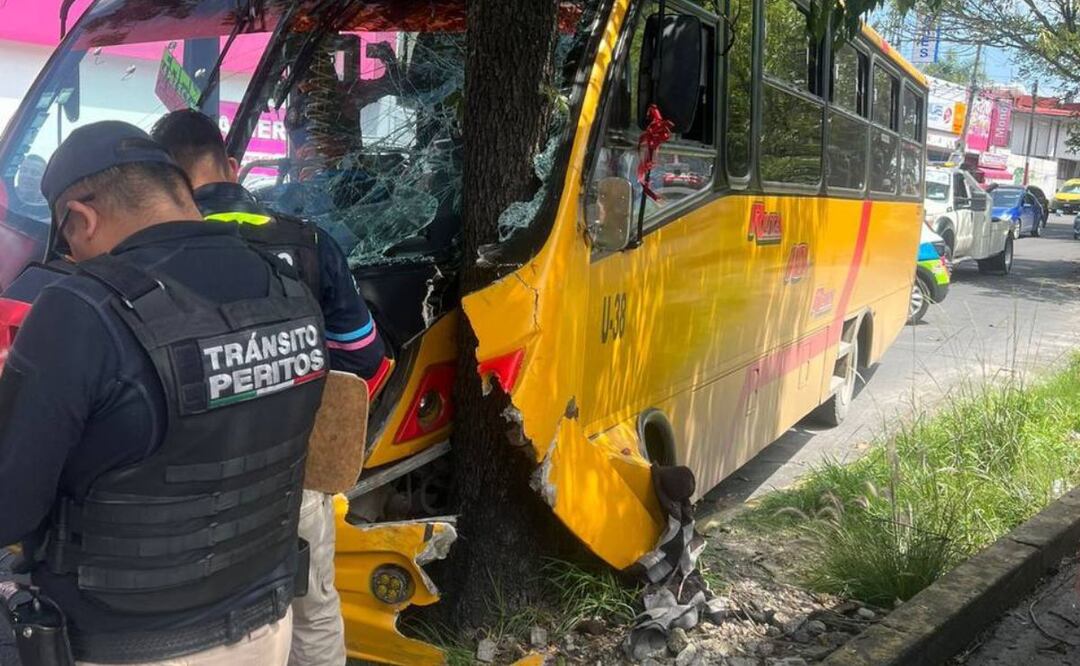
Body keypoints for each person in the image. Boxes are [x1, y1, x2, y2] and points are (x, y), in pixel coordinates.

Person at [0, 121, 328, 664]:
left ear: (81, 218)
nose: (75, 260)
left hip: (129, 643)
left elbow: (9, 508)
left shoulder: (78, 309)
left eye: (68, 243)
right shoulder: (288, 285)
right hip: (267, 626)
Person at [151, 109, 389, 666]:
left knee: (196, 629)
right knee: (311, 607)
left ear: (159, 180)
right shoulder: (308, 242)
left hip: (179, 481)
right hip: (294, 470)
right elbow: (364, 357)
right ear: (232, 167)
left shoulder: (144, 255)